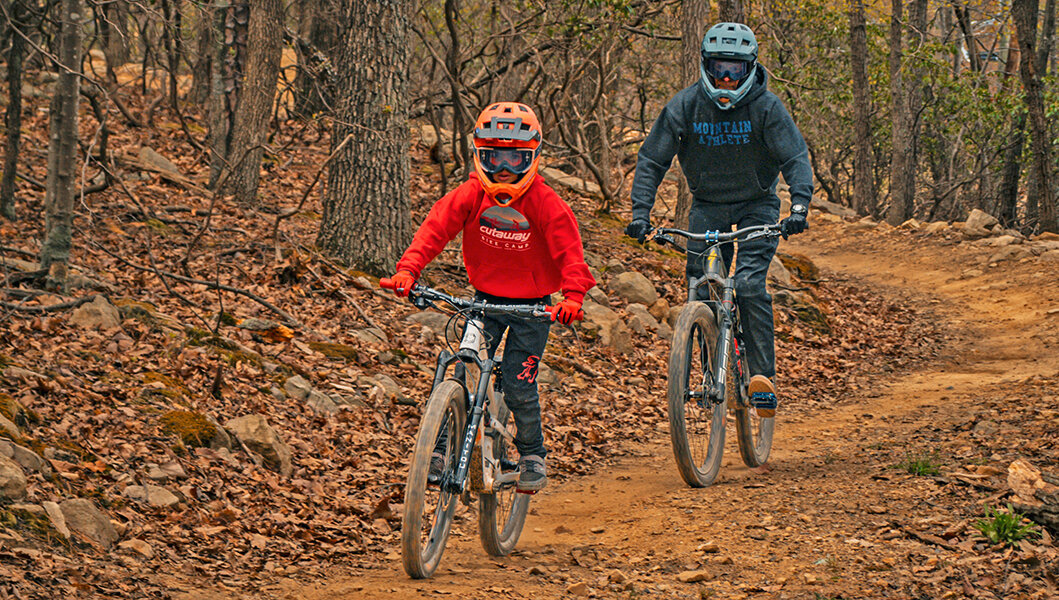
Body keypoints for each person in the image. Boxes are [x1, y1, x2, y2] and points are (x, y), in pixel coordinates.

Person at [386, 102, 596, 492]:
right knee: (461, 367)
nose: (503, 168)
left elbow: (569, 251)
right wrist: (408, 270)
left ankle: (532, 452)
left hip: (534, 309)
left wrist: (573, 296)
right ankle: (440, 447)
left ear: (532, 157)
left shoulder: (545, 202)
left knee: (518, 384)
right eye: (493, 156)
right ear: (479, 155)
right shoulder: (470, 194)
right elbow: (435, 227)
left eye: (515, 158)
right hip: (483, 301)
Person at [624, 22, 813, 418]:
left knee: (747, 284)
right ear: (705, 65)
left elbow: (794, 157)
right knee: (700, 283)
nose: (726, 78)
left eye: (736, 69)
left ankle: (761, 379)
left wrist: (798, 207)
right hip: (707, 205)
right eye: (718, 68)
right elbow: (652, 159)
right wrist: (639, 213)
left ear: (750, 67)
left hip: (757, 205)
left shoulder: (767, 108)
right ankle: (708, 362)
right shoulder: (685, 105)